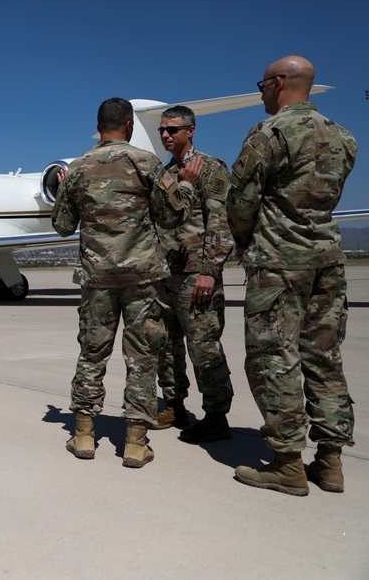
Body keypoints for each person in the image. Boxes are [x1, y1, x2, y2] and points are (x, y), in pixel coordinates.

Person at [228, 55, 357, 496]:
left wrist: (243, 240)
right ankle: (331, 462)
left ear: (280, 82)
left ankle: (287, 463)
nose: (261, 91)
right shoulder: (343, 136)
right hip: (328, 259)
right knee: (324, 358)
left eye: (262, 83)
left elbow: (241, 200)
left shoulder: (269, 134)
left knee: (273, 359)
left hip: (279, 264)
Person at [52, 97, 201, 468]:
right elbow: (173, 216)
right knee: (142, 358)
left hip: (97, 278)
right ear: (130, 126)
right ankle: (135, 442)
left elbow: (62, 225)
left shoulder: (78, 168)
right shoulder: (147, 163)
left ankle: (84, 434)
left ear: (99, 125)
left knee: (91, 354)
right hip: (141, 277)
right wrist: (184, 185)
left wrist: (62, 189)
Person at [150, 105, 235, 443]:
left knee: (204, 346)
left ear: (191, 130)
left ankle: (217, 415)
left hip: (195, 274)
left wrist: (209, 271)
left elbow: (220, 223)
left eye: (172, 129)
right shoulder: (166, 172)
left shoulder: (210, 168)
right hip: (165, 273)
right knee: (167, 345)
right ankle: (174, 404)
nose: (166, 135)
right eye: (162, 131)